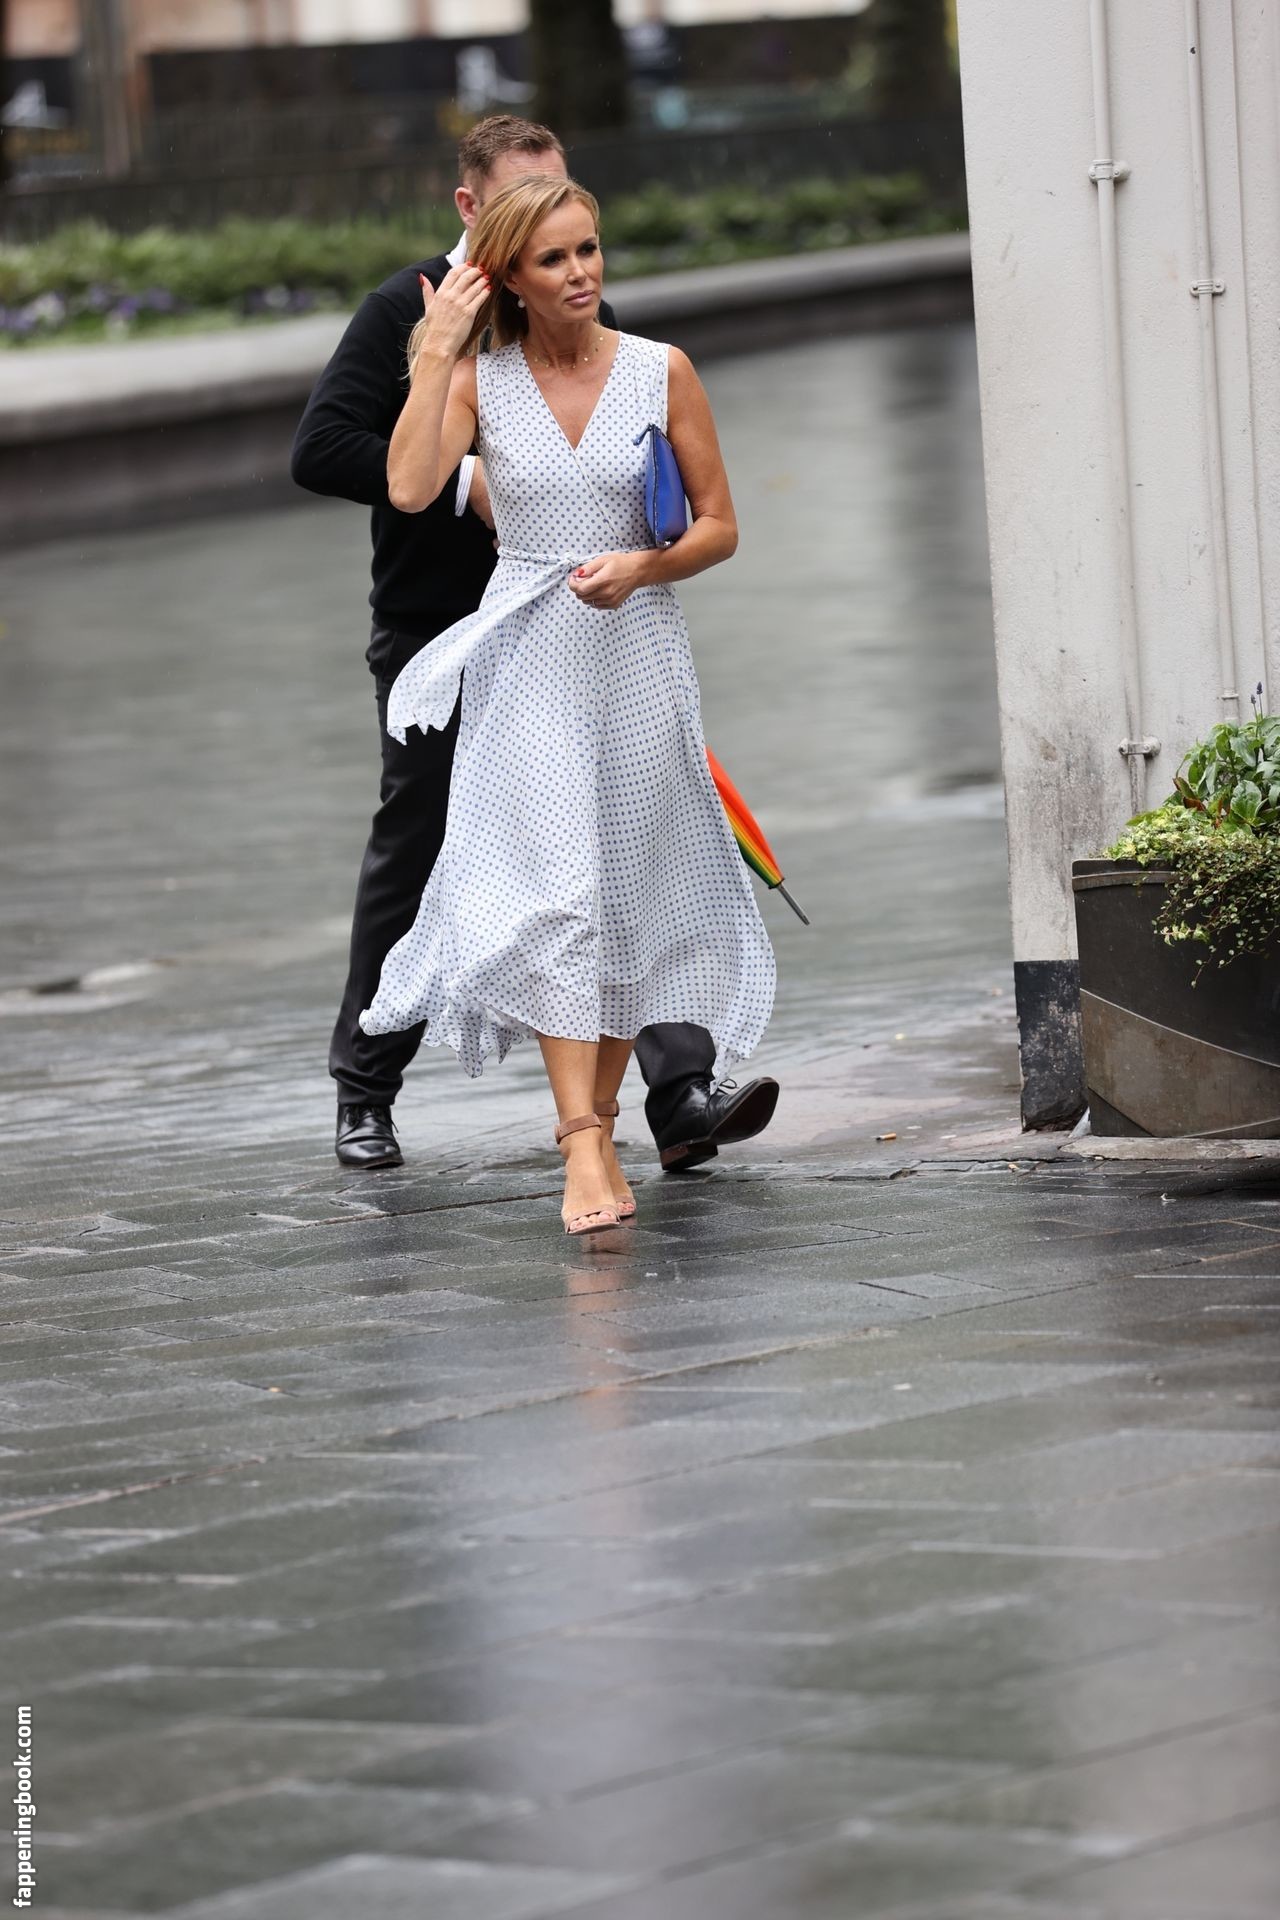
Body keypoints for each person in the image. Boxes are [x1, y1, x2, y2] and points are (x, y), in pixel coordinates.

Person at [292, 116, 779, 1176]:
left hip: (599, 633)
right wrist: (473, 468)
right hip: (445, 626)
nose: (569, 257)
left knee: (631, 843)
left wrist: (641, 564)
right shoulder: (411, 309)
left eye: (575, 221)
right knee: (426, 846)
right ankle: (366, 1087)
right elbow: (325, 449)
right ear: (476, 215)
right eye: (530, 215)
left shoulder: (601, 323)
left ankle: (677, 1092)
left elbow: (666, 480)